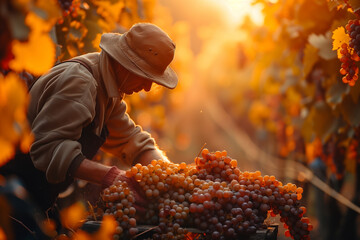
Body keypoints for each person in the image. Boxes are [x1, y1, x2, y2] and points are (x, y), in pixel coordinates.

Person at [0, 22, 178, 237]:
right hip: (10, 197)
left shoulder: (107, 86)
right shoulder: (81, 82)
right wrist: (113, 177)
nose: (148, 87)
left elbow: (132, 140)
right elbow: (48, 147)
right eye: (146, 76)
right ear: (126, 64)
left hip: (31, 196)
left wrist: (169, 175)